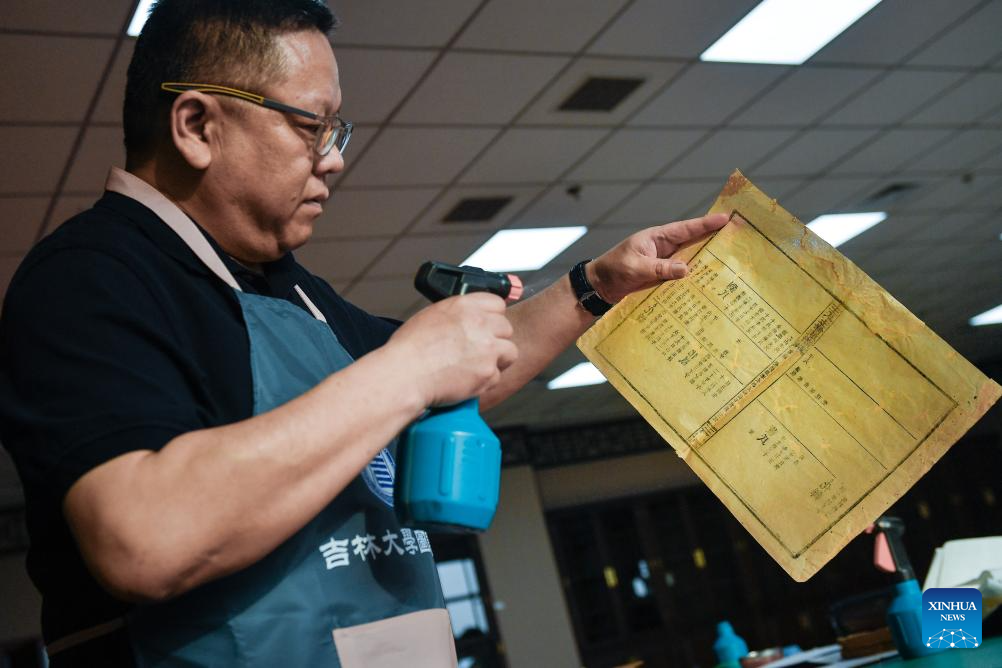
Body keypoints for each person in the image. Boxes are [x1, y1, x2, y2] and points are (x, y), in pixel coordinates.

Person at [0, 1, 728, 666]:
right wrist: (409, 368)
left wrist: (593, 286)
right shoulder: (88, 276)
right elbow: (140, 537)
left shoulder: (291, 288)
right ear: (196, 126)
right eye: (311, 126)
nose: (335, 157)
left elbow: (454, 381)